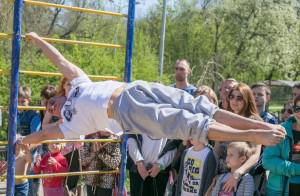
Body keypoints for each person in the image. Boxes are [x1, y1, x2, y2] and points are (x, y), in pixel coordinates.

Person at [18, 32, 286, 149]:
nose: (51, 106)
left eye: (51, 101)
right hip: (124, 112)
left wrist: (38, 40)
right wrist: (22, 142)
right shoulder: (70, 125)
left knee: (197, 104)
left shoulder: (78, 82)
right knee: (187, 123)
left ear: (61, 92)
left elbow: (61, 61)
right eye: (50, 109)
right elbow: (42, 134)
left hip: (135, 89)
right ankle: (251, 134)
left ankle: (256, 125)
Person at [214, 83, 261, 192]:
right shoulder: (224, 119)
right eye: (232, 96)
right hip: (221, 174)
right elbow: (217, 149)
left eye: (239, 97)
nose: (234, 100)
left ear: (247, 99)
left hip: (243, 177)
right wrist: (213, 173)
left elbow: (256, 155)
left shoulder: (254, 121)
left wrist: (238, 174)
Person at [262, 95, 300, 196]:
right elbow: (268, 161)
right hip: (279, 191)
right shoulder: (281, 130)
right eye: (297, 108)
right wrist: (296, 169)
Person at [80, 132, 121, 196]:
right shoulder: (89, 137)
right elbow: (83, 161)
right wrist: (93, 152)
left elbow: (115, 163)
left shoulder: (114, 140)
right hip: (90, 181)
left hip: (107, 183)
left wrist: (100, 153)